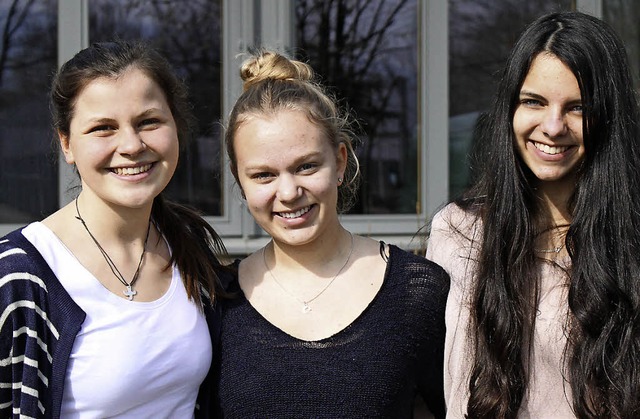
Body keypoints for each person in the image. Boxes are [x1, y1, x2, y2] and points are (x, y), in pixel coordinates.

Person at [427, 11, 640, 418]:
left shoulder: (631, 241)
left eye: (577, 108)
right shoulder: (458, 233)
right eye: (534, 102)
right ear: (510, 108)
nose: (553, 126)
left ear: (609, 119)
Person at [0, 40, 229, 418]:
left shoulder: (188, 243)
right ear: (67, 144)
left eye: (149, 122)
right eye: (103, 128)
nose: (131, 145)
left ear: (176, 126)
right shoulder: (18, 274)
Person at [216, 49, 450, 418]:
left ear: (340, 160)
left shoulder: (417, 291)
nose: (289, 192)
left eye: (306, 166)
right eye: (264, 175)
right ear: (239, 179)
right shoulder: (218, 300)